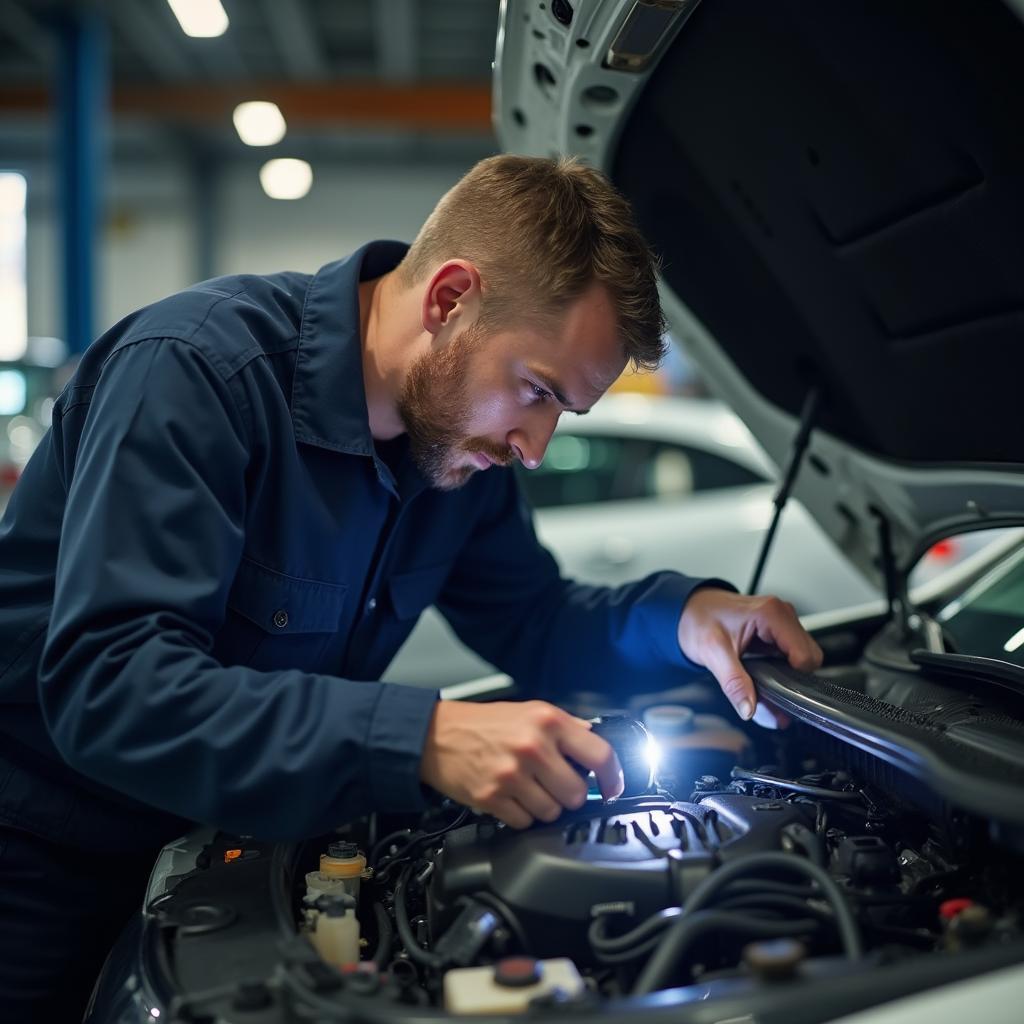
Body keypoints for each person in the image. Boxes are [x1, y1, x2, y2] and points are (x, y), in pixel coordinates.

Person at [0, 155, 821, 1018]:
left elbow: (535, 618)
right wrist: (419, 738)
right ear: (449, 298)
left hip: (226, 858)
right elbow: (111, 686)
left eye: (561, 413)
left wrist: (681, 616)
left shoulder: (456, 451)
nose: (534, 447)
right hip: (42, 856)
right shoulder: (198, 373)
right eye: (535, 391)